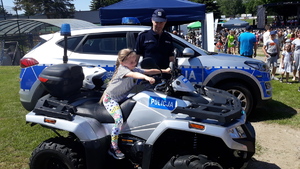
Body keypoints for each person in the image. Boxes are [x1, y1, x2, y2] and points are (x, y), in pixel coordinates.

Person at [101, 49, 170, 159]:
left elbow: (147, 71)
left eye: (135, 61)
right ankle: (113, 147)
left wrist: (165, 71)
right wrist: (146, 78)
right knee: (118, 120)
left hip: (122, 97)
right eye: (131, 62)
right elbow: (135, 74)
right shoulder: (123, 70)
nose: (134, 64)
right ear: (122, 62)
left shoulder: (131, 67)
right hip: (110, 99)